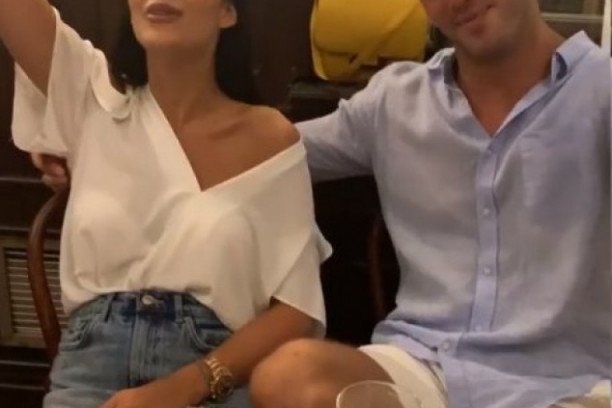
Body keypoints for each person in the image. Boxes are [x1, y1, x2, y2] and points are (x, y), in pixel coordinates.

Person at [31, 0, 612, 408]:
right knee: (289, 375)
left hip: (573, 380)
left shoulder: (601, 93)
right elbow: (262, 154)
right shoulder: (395, 103)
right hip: (422, 371)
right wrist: (105, 148)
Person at [1, 0, 331, 407]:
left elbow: (296, 310)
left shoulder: (270, 139)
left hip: (217, 375)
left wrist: (188, 385)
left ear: (227, 12)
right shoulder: (91, 100)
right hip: (90, 374)